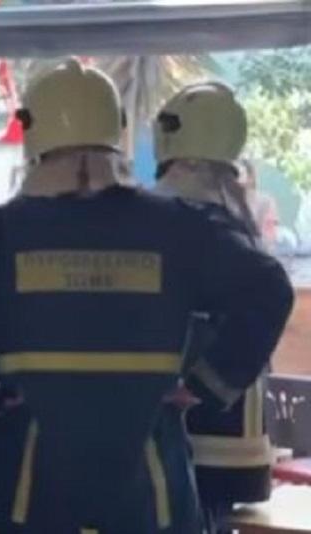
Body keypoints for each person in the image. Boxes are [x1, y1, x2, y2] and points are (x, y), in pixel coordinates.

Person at [0, 60, 294, 533]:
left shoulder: (4, 233)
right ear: (115, 131)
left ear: (34, 133)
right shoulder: (175, 227)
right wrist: (207, 384)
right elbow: (269, 288)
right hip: (152, 501)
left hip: (30, 498)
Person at [152, 83, 276, 533]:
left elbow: (270, 290)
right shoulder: (227, 209)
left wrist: (200, 384)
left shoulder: (186, 213)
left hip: (199, 431)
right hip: (226, 429)